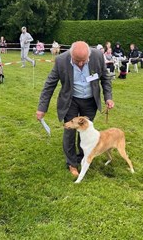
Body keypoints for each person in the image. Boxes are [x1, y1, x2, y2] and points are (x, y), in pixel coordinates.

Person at [36, 41, 114, 177]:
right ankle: (72, 163)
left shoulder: (97, 56)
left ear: (89, 56)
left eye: (83, 61)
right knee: (69, 131)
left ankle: (82, 157)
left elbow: (105, 79)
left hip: (90, 101)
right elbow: (49, 85)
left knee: (86, 131)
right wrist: (42, 108)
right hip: (70, 100)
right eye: (77, 61)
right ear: (71, 55)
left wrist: (108, 97)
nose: (80, 64)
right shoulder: (61, 61)